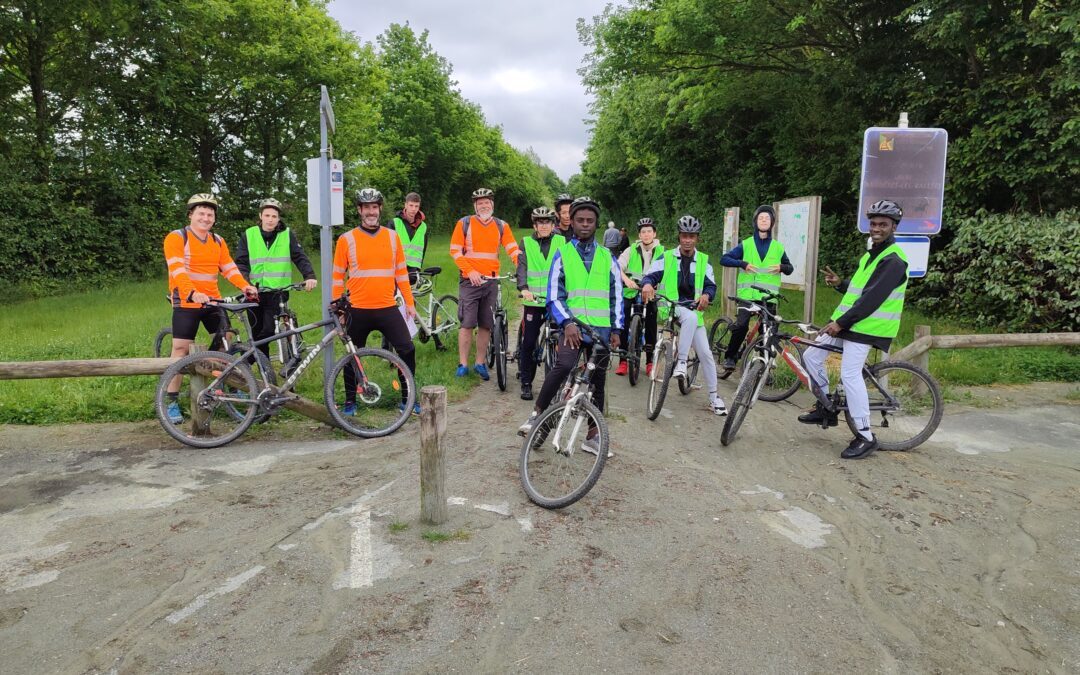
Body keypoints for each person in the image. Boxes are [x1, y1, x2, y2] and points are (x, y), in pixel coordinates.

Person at [798, 199, 910, 459]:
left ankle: (865, 436)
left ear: (894, 227)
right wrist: (840, 283)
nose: (876, 228)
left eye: (883, 224)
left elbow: (872, 299)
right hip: (853, 324)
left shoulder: (894, 260)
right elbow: (861, 288)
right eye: (873, 224)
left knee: (849, 374)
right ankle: (826, 407)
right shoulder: (872, 254)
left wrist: (840, 323)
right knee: (811, 355)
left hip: (868, 327)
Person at [517, 197, 623, 456]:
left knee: (597, 380)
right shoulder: (562, 254)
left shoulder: (607, 256)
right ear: (571, 223)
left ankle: (593, 435)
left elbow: (616, 295)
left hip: (601, 330)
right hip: (572, 327)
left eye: (590, 221)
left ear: (596, 224)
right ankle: (537, 414)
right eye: (580, 220)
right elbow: (554, 294)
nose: (585, 225)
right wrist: (566, 323)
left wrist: (618, 330)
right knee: (563, 364)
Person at [162, 193, 258, 424]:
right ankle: (171, 400)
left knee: (226, 340)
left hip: (212, 301)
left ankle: (221, 382)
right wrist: (192, 292)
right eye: (201, 213)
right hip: (187, 301)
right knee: (180, 349)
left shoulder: (217, 241)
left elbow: (229, 268)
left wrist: (246, 286)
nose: (205, 218)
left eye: (210, 214)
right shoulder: (177, 238)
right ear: (191, 215)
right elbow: (178, 271)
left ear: (214, 219)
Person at [331, 188, 420, 415]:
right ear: (360, 210)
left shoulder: (392, 237)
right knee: (352, 355)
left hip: (387, 307)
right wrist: (337, 306)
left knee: (407, 349)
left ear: (379, 209)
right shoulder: (346, 239)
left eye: (374, 207)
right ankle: (351, 401)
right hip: (357, 309)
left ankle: (407, 398)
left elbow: (401, 273)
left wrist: (409, 303)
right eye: (366, 207)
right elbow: (338, 275)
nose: (370, 211)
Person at [641, 215, 727, 416]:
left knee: (706, 354)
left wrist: (707, 295)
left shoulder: (704, 260)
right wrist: (646, 283)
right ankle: (681, 362)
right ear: (679, 236)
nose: (688, 240)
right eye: (684, 236)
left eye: (692, 236)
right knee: (688, 318)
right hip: (671, 306)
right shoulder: (667, 257)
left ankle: (714, 397)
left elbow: (711, 286)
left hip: (693, 309)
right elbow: (651, 275)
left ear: (697, 238)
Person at [449, 187, 521, 380]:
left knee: (486, 324)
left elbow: (512, 249)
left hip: (491, 281)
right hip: (469, 281)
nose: (483, 206)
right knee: (467, 323)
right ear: (475, 206)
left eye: (487, 202)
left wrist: (520, 266)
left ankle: (480, 363)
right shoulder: (464, 223)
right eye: (480, 203)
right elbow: (455, 251)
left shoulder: (501, 225)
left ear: (492, 205)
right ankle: (463, 364)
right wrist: (469, 271)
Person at [235, 198, 317, 358]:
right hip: (254, 292)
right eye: (267, 215)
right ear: (261, 216)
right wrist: (246, 284)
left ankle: (245, 360)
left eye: (274, 216)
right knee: (256, 330)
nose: (270, 219)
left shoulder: (286, 235)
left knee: (268, 330)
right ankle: (265, 371)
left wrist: (309, 276)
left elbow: (299, 256)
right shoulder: (249, 235)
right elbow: (241, 263)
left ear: (278, 218)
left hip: (277, 292)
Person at [718, 204, 794, 371]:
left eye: (767, 218)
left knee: (768, 330)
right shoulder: (746, 245)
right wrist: (742, 263)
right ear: (755, 222)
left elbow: (790, 268)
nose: (764, 220)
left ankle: (761, 363)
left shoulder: (778, 247)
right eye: (761, 217)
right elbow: (724, 259)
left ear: (772, 222)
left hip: (768, 297)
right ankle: (730, 357)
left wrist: (781, 267)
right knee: (742, 325)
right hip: (748, 294)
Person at [515, 206, 566, 400]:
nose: (544, 226)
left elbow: (567, 267)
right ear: (535, 225)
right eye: (540, 223)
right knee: (528, 342)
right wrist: (524, 288)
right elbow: (522, 267)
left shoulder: (562, 241)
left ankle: (557, 381)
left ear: (553, 225)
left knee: (560, 340)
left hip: (554, 300)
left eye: (547, 223)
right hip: (533, 300)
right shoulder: (526, 242)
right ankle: (526, 383)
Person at [615, 218, 663, 377]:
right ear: (639, 234)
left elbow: (668, 273)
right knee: (623, 323)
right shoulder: (630, 250)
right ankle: (623, 360)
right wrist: (627, 280)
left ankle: (650, 362)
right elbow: (617, 267)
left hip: (651, 295)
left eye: (649, 231)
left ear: (654, 233)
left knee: (651, 326)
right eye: (643, 231)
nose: (646, 234)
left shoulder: (663, 252)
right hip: (631, 291)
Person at [386, 192, 428, 284]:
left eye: (416, 206)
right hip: (396, 267)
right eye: (411, 205)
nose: (413, 209)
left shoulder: (423, 226)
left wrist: (419, 268)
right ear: (405, 205)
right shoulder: (394, 223)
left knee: (410, 297)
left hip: (413, 269)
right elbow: (386, 248)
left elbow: (423, 249)